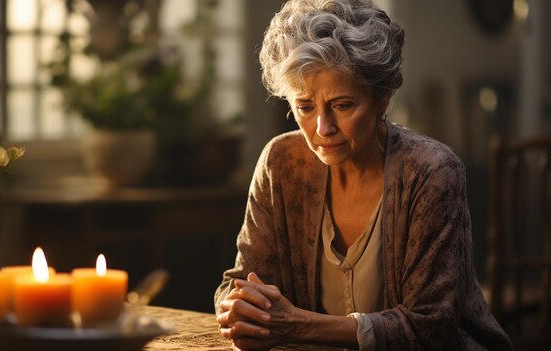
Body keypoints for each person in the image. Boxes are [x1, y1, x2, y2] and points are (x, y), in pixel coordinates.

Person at [214, 0, 513, 350]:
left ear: (382, 97)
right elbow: (241, 282)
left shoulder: (431, 172)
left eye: (342, 105)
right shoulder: (281, 164)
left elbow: (430, 326)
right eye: (305, 107)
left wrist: (293, 325)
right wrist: (238, 308)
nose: (323, 129)